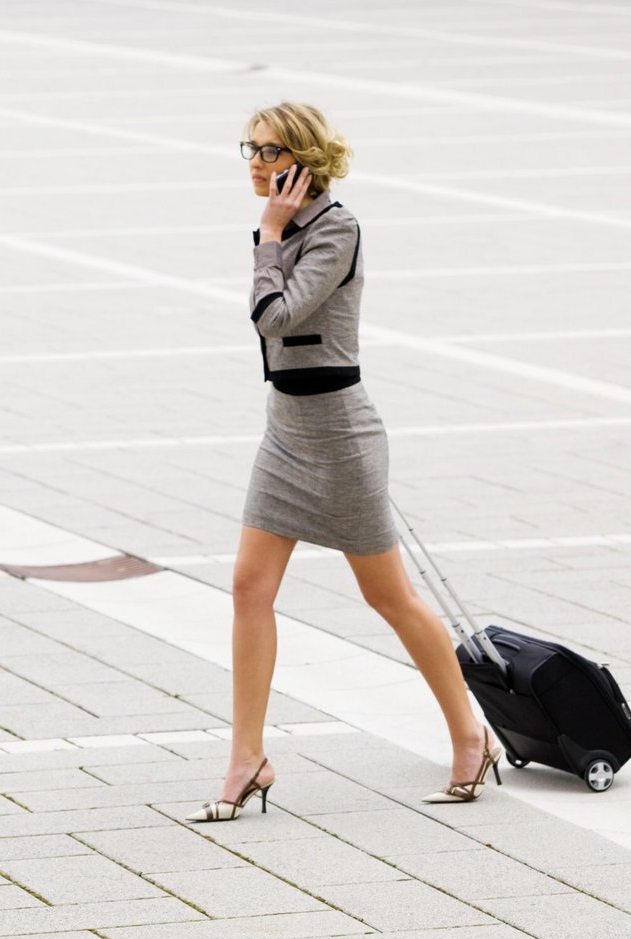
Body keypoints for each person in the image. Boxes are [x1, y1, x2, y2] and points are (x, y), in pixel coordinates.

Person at [187, 104, 500, 823]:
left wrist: (268, 237)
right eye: (250, 149)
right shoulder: (284, 226)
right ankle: (247, 758)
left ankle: (468, 734)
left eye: (269, 151)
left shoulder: (337, 229)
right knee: (247, 588)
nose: (256, 163)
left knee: (388, 595)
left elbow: (275, 315)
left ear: (302, 159)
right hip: (285, 429)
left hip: (342, 434)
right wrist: (271, 232)